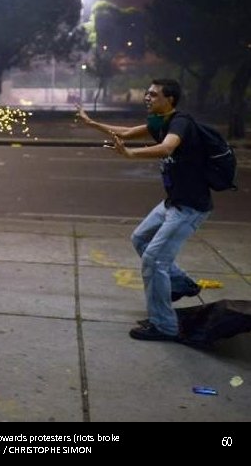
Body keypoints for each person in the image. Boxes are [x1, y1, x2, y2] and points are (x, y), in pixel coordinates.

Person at [75, 78, 209, 342]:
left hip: (189, 207)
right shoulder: (159, 122)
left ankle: (164, 326)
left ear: (169, 99)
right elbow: (124, 133)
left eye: (153, 94)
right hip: (173, 202)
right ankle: (182, 284)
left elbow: (168, 147)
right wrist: (92, 123)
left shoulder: (180, 122)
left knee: (154, 260)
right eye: (146, 94)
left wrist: (131, 155)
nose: (147, 98)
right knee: (140, 239)